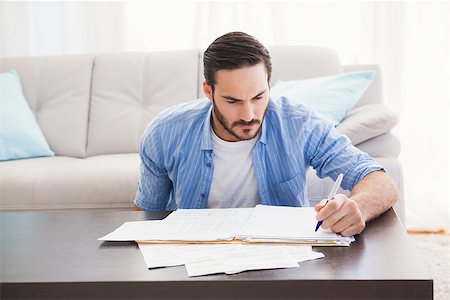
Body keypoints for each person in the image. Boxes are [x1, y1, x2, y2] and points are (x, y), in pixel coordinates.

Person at [133, 31, 398, 237]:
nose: (249, 114)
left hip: (281, 259)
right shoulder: (164, 133)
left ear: (269, 85)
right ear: (208, 91)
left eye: (258, 96)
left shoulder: (300, 124)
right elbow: (148, 214)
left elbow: (379, 180)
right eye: (233, 101)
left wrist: (358, 207)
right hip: (196, 259)